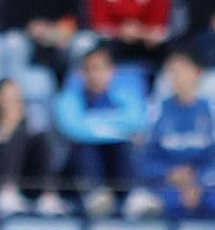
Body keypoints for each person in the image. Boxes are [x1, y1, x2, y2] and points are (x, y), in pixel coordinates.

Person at [54, 45, 150, 216]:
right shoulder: (68, 98)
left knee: (124, 145)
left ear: (111, 71)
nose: (95, 75)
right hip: (81, 161)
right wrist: (115, 127)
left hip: (116, 155)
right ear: (82, 73)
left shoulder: (126, 95)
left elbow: (136, 122)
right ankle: (95, 194)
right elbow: (73, 128)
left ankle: (133, 195)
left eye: (100, 69)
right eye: (90, 69)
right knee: (85, 146)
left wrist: (93, 126)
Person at [130, 51, 215, 219]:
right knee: (143, 206)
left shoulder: (210, 111)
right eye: (172, 71)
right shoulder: (156, 110)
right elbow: (144, 158)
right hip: (164, 186)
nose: (177, 77)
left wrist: (197, 180)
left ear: (196, 73)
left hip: (205, 186)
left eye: (182, 70)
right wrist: (170, 174)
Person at [0, 78, 64, 217]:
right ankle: (7, 191)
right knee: (16, 135)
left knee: (40, 137)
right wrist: (7, 130)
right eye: (6, 98)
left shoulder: (28, 132)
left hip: (27, 181)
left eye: (15, 98)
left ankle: (48, 194)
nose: (10, 103)